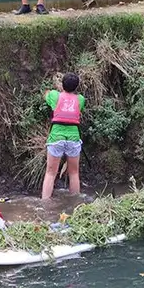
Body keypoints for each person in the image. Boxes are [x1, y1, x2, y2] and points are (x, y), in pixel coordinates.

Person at [41, 72, 85, 200]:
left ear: (62, 84)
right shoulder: (80, 99)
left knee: (50, 173)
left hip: (56, 138)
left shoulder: (55, 95)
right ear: (76, 87)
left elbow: (46, 95)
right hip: (73, 138)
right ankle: (76, 203)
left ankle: (45, 203)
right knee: (74, 173)